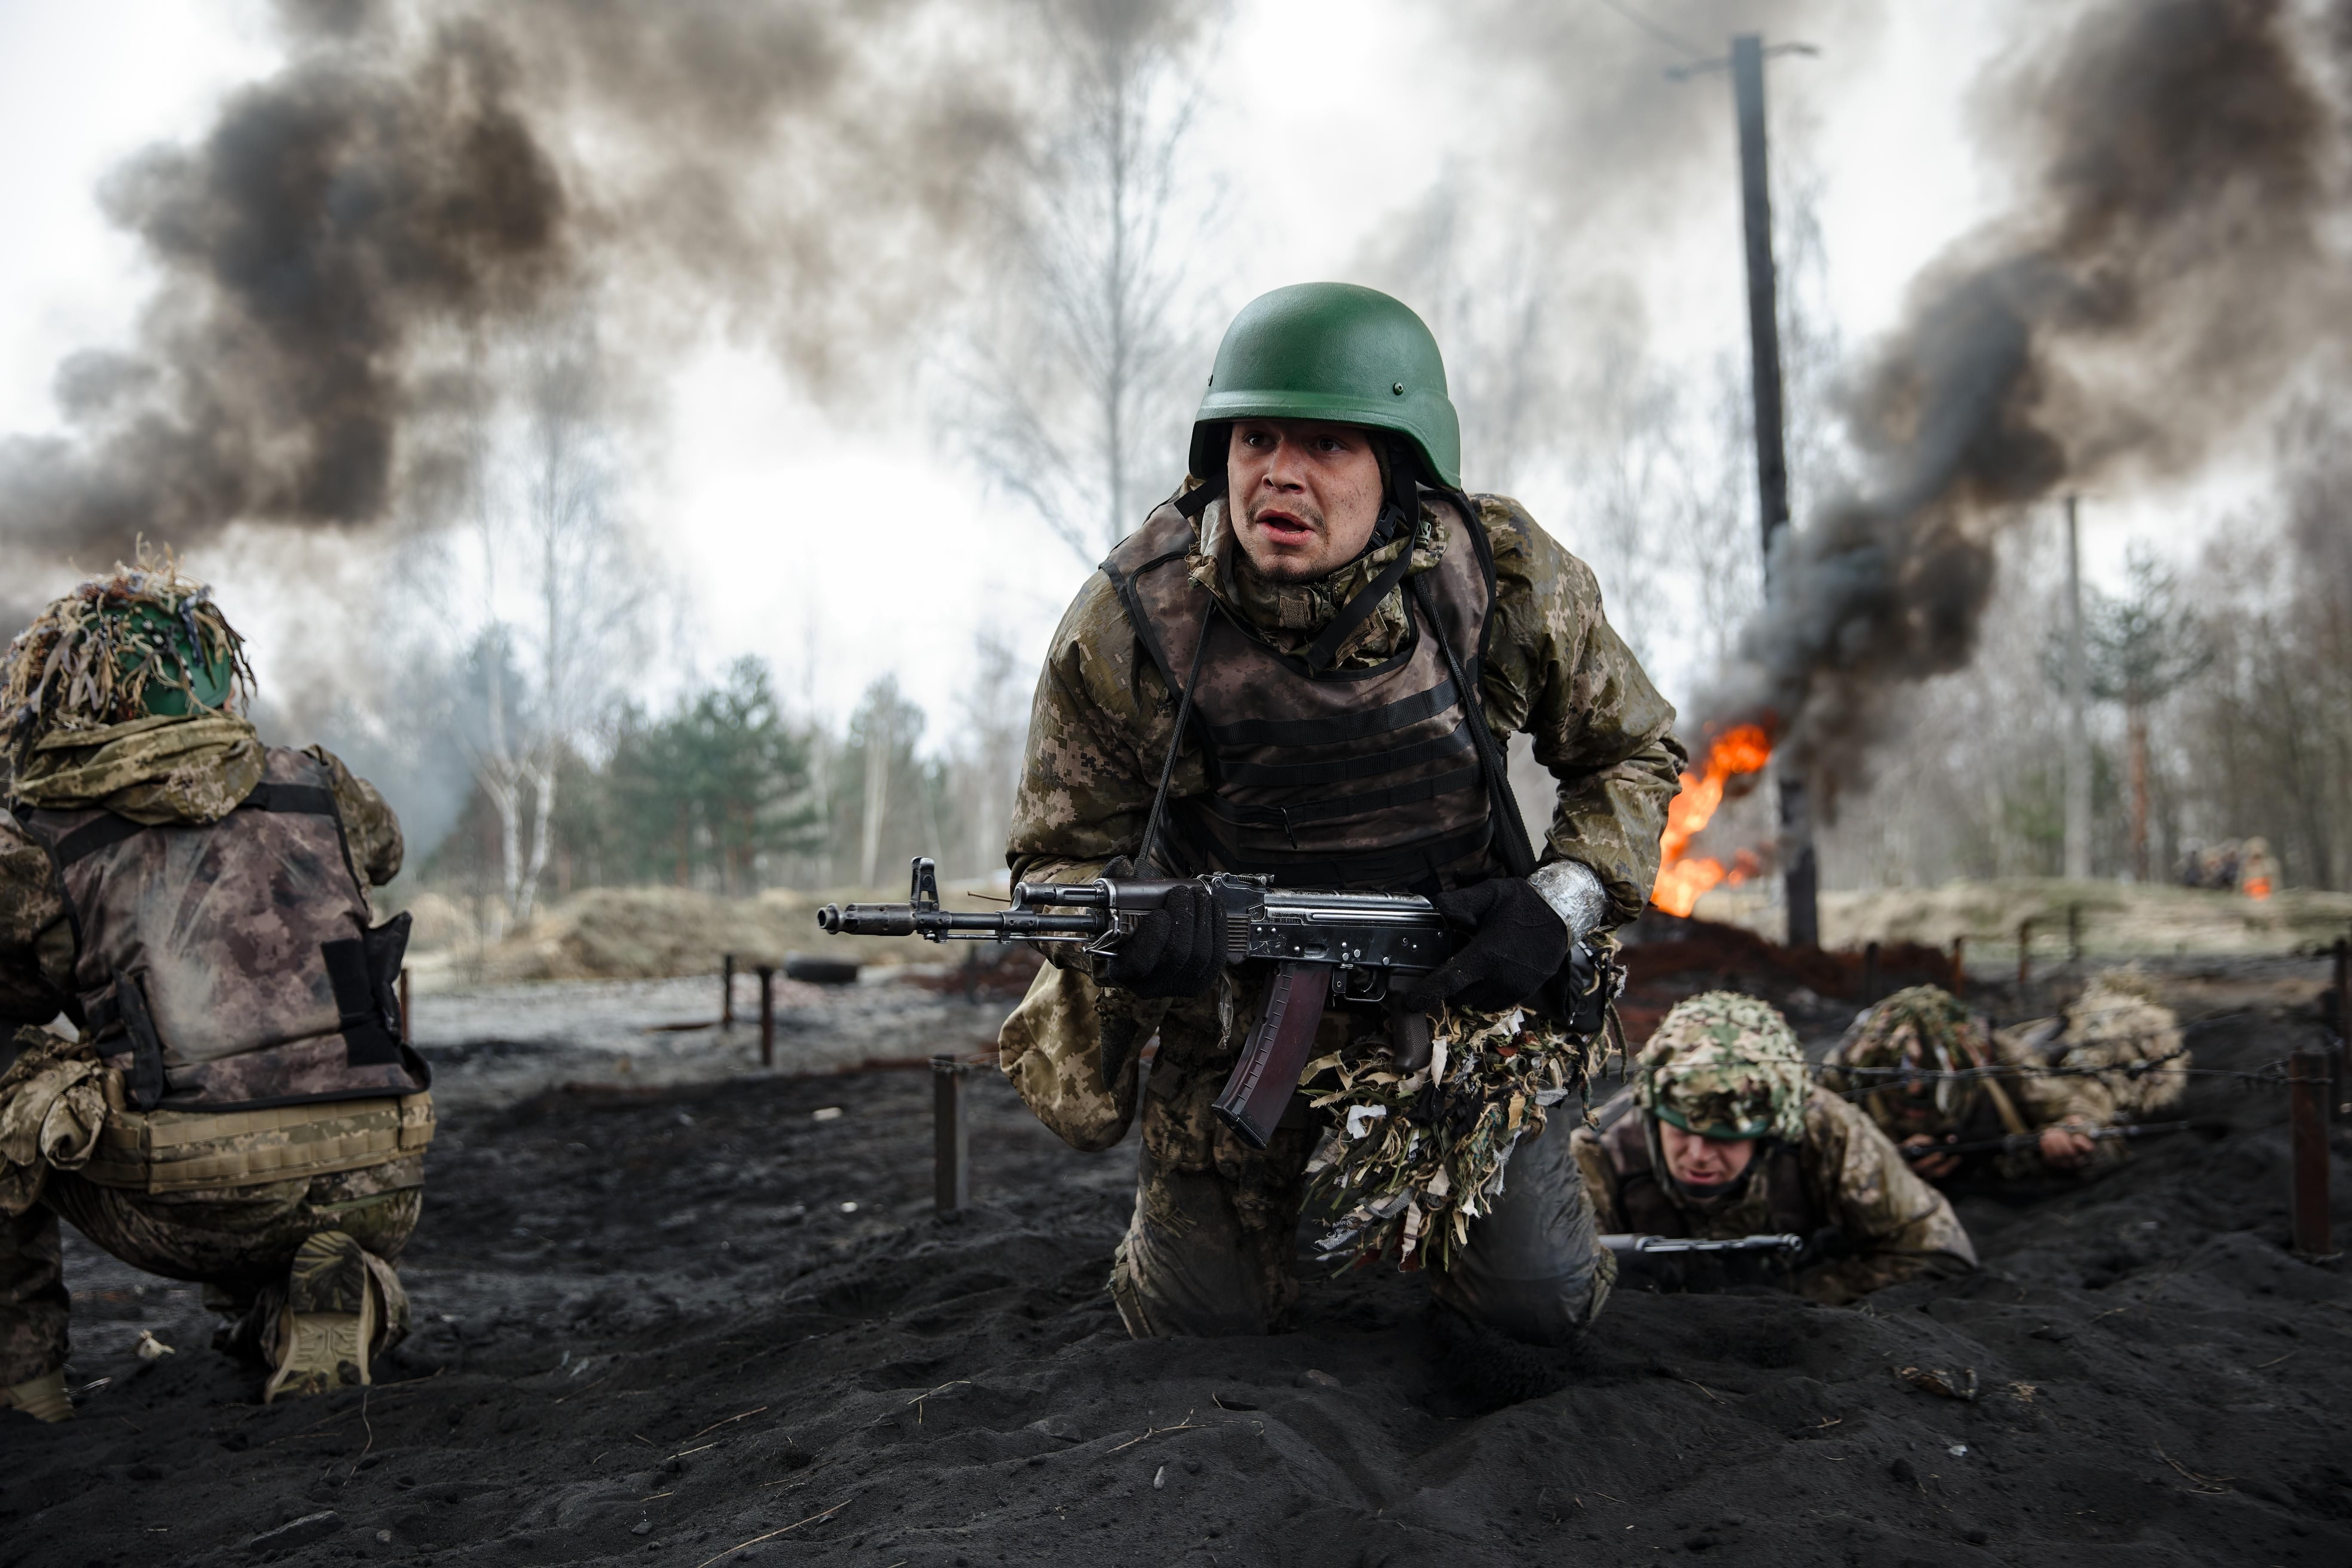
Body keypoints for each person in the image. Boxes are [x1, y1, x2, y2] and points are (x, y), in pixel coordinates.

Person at [997, 282, 1684, 1344]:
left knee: (1528, 1314)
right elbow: (1052, 863)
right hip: (1239, 1017)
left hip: (1462, 1007)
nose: (1280, 472)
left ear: (1398, 469)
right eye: (1256, 436)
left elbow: (1631, 750)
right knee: (1192, 1328)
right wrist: (1135, 937)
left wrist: (1557, 903)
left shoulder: (1498, 579)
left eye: (1326, 444)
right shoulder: (1134, 620)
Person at [0, 557, 428, 1422]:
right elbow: (382, 852)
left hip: (196, 1191)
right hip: (382, 1162)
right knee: (268, 1153)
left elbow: (18, 990)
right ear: (214, 678)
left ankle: (27, 1385)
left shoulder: (42, 836)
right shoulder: (320, 783)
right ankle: (331, 1298)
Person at [1570, 992, 1976, 1304]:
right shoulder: (1599, 1150)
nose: (1698, 1155)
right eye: (1680, 1130)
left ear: (1773, 1132)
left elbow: (1938, 1252)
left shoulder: (1824, 1128)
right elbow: (1563, 1285)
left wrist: (1803, 1294)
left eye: (1723, 1139)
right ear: (1655, 1113)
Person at [1820, 983, 2121, 1182]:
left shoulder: (1992, 1053)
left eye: (1931, 1077)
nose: (1913, 1090)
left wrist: (2068, 1129)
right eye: (1897, 1076)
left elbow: (2066, 1101)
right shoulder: (1847, 1070)